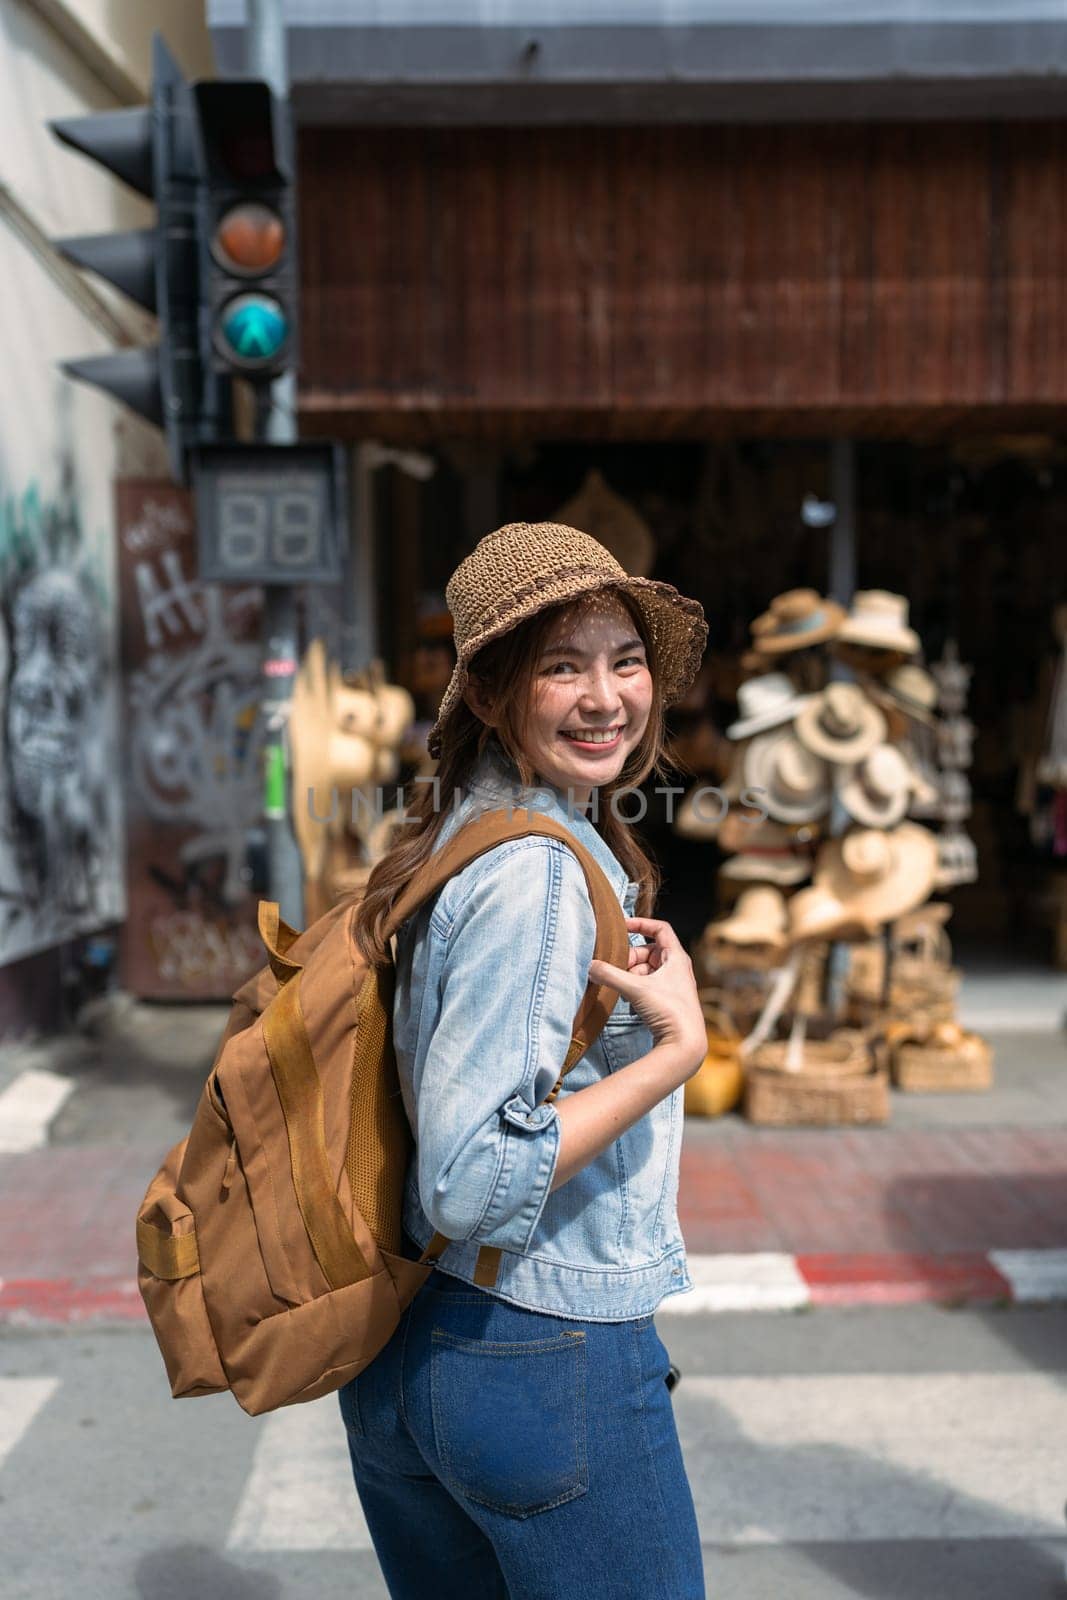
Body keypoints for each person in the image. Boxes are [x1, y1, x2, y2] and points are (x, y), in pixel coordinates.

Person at [340, 521, 710, 1599]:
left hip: (414, 1347)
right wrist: (673, 1052)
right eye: (561, 665)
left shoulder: (464, 831)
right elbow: (471, 1177)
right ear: (495, 694)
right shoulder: (536, 876)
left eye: (623, 659)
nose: (605, 696)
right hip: (539, 1352)